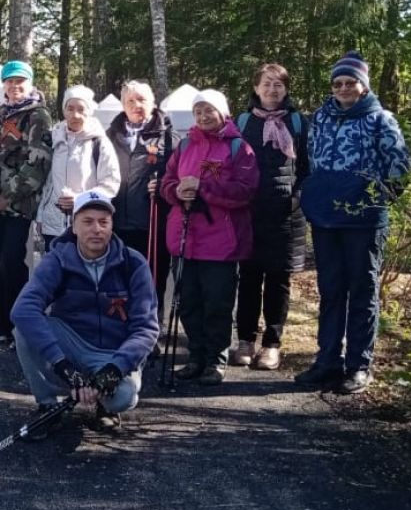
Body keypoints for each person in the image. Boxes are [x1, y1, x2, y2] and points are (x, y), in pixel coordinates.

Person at [295, 51, 411, 394]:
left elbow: (399, 168)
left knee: (362, 291)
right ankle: (327, 359)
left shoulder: (381, 119)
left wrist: (373, 200)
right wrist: (309, 193)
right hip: (326, 220)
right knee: (331, 291)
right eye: (338, 83)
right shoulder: (321, 118)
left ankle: (358, 366)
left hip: (364, 222)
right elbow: (308, 161)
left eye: (350, 82)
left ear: (363, 86)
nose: (344, 88)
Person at [12, 191, 158, 435]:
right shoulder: (57, 259)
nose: (97, 229)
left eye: (104, 222)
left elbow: (147, 328)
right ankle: (47, 405)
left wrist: (114, 369)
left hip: (113, 351)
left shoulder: (134, 263)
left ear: (112, 226)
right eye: (88, 221)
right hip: (73, 343)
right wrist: (63, 366)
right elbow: (24, 309)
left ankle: (106, 406)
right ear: (74, 226)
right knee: (23, 330)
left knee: (123, 398)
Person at [160, 90, 259, 385]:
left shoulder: (239, 147)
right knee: (188, 301)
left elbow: (246, 191)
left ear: (223, 113)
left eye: (209, 111)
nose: (204, 117)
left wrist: (204, 188)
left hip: (221, 241)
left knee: (217, 302)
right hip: (185, 236)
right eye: (198, 111)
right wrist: (177, 192)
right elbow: (167, 182)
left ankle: (215, 359)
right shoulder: (186, 144)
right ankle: (196, 356)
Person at [229, 63, 309, 371]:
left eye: (278, 84)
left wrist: (297, 199)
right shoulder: (242, 121)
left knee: (279, 281)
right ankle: (245, 341)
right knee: (248, 279)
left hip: (286, 215)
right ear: (256, 88)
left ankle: (272, 345)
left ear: (286, 88)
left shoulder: (300, 123)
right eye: (266, 84)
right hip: (249, 214)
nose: (272, 89)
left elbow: (307, 167)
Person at [0, 60, 52, 345]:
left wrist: (7, 196)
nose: (15, 86)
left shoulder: (38, 116)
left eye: (20, 81)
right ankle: (3, 323)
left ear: (30, 83)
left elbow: (38, 161)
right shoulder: (1, 114)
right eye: (10, 81)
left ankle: (22, 325)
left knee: (11, 262)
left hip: (19, 203)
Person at [108, 80, 179, 329]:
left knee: (151, 281)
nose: (137, 105)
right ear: (123, 105)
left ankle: (149, 331)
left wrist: (162, 187)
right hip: (116, 222)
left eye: (142, 100)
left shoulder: (169, 138)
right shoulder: (110, 135)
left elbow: (177, 177)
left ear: (153, 102)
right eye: (131, 101)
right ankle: (121, 329)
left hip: (153, 222)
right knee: (118, 279)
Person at [37, 85, 121, 249]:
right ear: (64, 110)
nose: (75, 115)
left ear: (89, 111)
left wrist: (80, 199)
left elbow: (111, 184)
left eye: (81, 109)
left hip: (86, 225)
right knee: (54, 272)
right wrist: (41, 216)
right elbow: (48, 183)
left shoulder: (99, 143)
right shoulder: (53, 139)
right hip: (53, 225)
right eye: (70, 108)